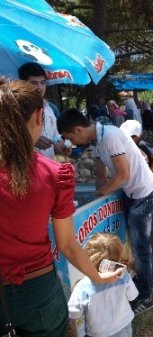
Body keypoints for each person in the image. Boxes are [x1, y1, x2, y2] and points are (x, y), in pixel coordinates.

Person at [0, 78, 121, 336]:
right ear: (39, 115)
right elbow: (67, 244)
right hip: (38, 291)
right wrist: (97, 276)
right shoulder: (53, 173)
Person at [57, 108, 153, 315]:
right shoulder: (96, 140)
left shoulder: (110, 135)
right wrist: (95, 198)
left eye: (70, 138)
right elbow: (101, 174)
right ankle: (145, 279)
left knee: (140, 248)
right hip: (130, 193)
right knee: (136, 243)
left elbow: (122, 174)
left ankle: (146, 296)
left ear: (77, 129)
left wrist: (102, 192)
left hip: (142, 193)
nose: (73, 144)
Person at [68, 233, 138, 337]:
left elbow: (73, 313)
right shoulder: (123, 276)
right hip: (124, 325)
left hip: (99, 333)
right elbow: (133, 296)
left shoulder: (82, 287)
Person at [119, 120, 153, 271]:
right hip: (136, 188)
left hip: (146, 187)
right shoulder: (125, 145)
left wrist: (148, 172)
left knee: (148, 221)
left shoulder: (141, 145)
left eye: (131, 137)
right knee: (147, 220)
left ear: (136, 136)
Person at [17, 62, 67, 159]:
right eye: (34, 83)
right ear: (23, 84)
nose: (39, 87)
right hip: (26, 168)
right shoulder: (15, 108)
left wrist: (61, 144)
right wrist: (32, 140)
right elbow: (7, 139)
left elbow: (55, 134)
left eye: (42, 82)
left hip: (48, 166)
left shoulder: (49, 108)